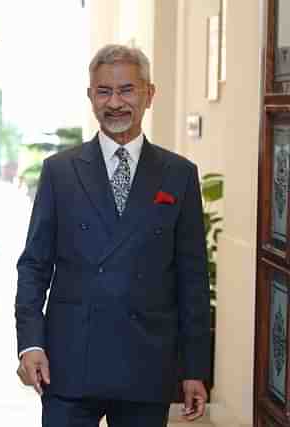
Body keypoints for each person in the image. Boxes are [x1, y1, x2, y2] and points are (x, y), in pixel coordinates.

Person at [15, 44, 211, 427]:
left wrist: (194, 368)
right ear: (91, 97)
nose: (115, 102)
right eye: (104, 91)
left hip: (146, 363)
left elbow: (192, 278)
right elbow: (34, 265)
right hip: (70, 360)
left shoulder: (178, 174)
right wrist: (31, 342)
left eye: (127, 90)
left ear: (148, 94)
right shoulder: (60, 171)